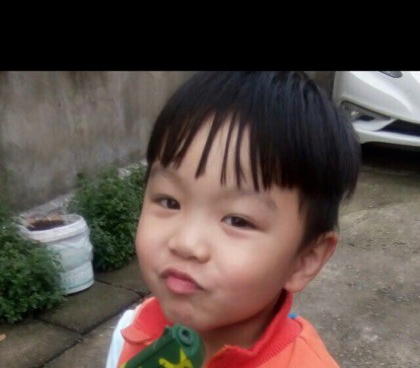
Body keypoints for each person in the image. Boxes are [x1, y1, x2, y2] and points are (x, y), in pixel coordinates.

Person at [106, 71, 360, 367]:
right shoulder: (133, 331)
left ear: (305, 259)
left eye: (237, 220)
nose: (186, 243)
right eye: (169, 202)